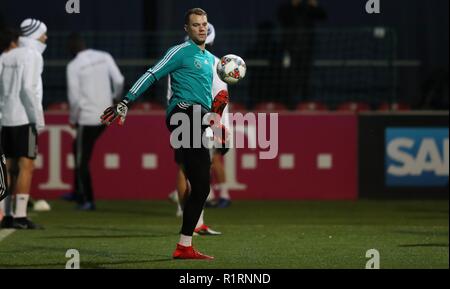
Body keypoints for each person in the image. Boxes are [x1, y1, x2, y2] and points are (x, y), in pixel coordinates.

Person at [101, 8, 226, 260]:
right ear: (187, 29)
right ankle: (184, 244)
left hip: (198, 119)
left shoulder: (213, 61)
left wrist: (218, 109)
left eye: (204, 24)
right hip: (182, 113)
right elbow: (152, 74)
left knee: (202, 186)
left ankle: (184, 246)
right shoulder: (179, 52)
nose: (201, 28)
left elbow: (215, 96)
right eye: (195, 24)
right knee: (198, 176)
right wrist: (126, 101)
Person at [167, 23, 231, 228]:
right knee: (195, 169)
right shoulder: (214, 63)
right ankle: (192, 221)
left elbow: (171, 94)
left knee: (187, 168)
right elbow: (220, 99)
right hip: (199, 119)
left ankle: (193, 219)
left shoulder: (180, 58)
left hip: (186, 117)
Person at [64, 33, 124, 210]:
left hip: (88, 117)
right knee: (78, 148)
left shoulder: (73, 66)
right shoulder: (103, 56)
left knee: (82, 158)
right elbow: (119, 80)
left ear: (71, 51)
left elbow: (74, 98)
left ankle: (86, 199)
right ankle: (77, 191)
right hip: (106, 115)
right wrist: (115, 98)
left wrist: (73, 119)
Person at [0, 19, 48, 230]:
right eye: (43, 33)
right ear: (35, 34)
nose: (45, 38)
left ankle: (6, 214)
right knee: (26, 166)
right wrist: (38, 118)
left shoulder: (5, 55)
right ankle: (20, 216)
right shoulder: (32, 55)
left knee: (8, 167)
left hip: (5, 118)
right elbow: (29, 89)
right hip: (24, 117)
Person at [278, 0, 327, 108]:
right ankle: (289, 105)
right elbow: (281, 17)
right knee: (289, 78)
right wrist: (293, 5)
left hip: (306, 50)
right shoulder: (286, 8)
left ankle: (305, 104)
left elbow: (323, 16)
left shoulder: (308, 8)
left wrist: (314, 5)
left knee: (305, 78)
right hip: (290, 51)